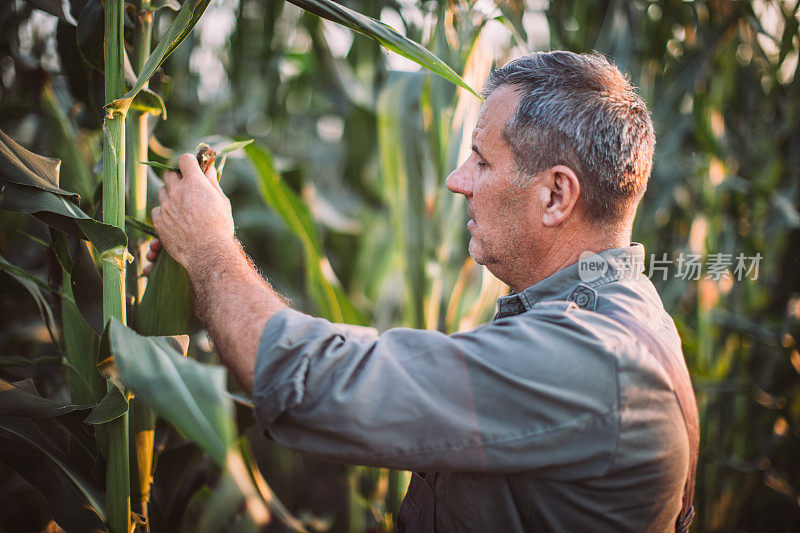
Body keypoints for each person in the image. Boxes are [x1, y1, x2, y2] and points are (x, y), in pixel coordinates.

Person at [150, 51, 699, 532]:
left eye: (482, 161)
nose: (457, 180)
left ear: (556, 195)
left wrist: (208, 251)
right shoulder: (627, 316)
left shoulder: (591, 358)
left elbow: (311, 384)